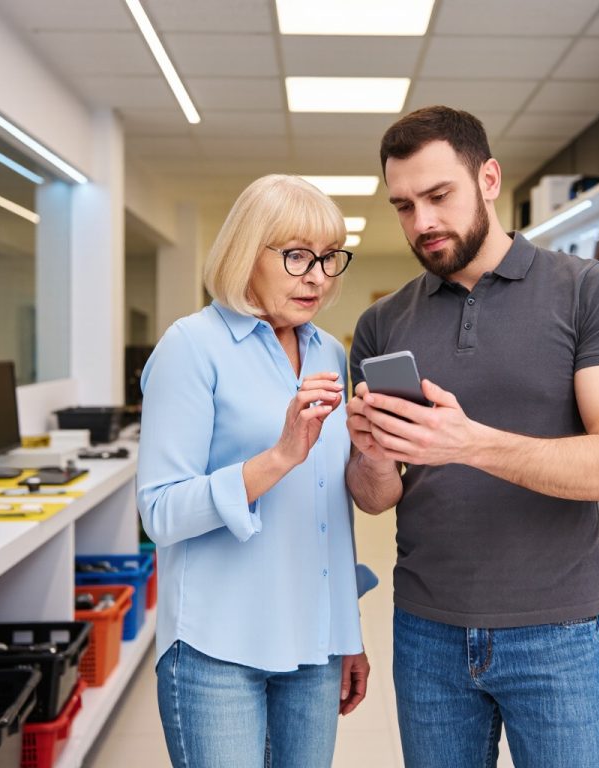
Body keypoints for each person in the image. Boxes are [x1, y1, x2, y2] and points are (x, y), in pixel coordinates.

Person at [345, 106, 599, 768]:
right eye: (404, 206)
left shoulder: (590, 293)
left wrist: (467, 442)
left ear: (488, 179)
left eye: (438, 195)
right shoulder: (381, 323)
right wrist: (372, 455)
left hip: (555, 631)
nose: (422, 222)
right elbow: (375, 499)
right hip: (426, 631)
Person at [136, 174, 372, 768]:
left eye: (329, 257)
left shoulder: (328, 352)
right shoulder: (191, 346)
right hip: (217, 648)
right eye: (297, 256)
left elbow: (329, 511)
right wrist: (278, 457)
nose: (317, 276)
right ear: (246, 252)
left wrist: (347, 633)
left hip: (314, 647)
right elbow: (160, 512)